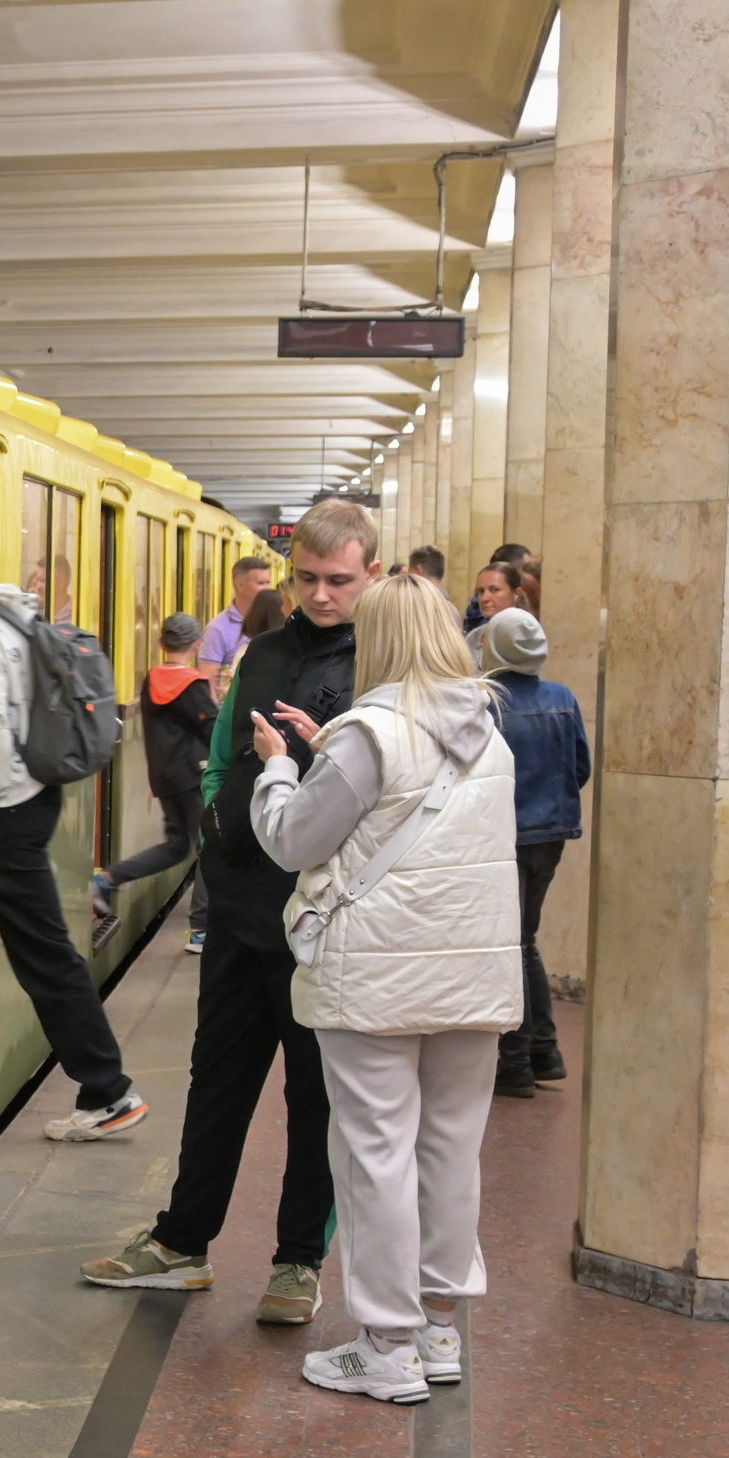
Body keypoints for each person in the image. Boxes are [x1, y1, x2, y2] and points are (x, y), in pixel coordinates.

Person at [79, 497, 372, 1324]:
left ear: (369, 575)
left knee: (316, 1094)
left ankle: (297, 1262)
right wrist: (213, 828)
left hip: (322, 914)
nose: (320, 594)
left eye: (338, 580)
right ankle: (182, 1241)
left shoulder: (381, 664)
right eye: (308, 578)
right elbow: (222, 757)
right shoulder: (264, 653)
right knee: (219, 1081)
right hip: (244, 903)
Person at [244, 573, 520, 1402]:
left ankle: (386, 1345)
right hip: (471, 978)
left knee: (375, 1153)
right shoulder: (488, 733)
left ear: (383, 640)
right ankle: (437, 1328)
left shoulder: (369, 735)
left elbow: (293, 840)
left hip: (377, 982)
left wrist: (278, 770)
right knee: (448, 1148)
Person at [0, 513, 148, 1140]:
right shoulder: (16, 612)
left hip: (2, 811)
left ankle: (109, 1090)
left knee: (45, 954)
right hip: (28, 800)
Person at [479, 608, 587, 1097]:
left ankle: (517, 1060)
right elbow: (578, 766)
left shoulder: (488, 703)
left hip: (505, 834)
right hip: (551, 835)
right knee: (526, 941)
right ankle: (544, 1049)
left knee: (513, 945)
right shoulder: (563, 699)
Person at [94, 611, 215, 952]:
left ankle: (109, 877)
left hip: (164, 778)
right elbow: (212, 727)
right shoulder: (192, 686)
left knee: (177, 846)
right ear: (197, 644)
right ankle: (200, 928)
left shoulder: (151, 681)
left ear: (162, 643)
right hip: (193, 776)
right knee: (209, 848)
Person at [200, 554, 272, 697]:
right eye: (261, 583)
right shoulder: (217, 629)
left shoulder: (273, 621)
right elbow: (209, 685)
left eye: (268, 582)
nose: (268, 588)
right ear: (240, 585)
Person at [468, 561, 525, 658]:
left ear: (517, 594)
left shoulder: (528, 634)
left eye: (495, 589)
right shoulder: (474, 637)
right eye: (481, 591)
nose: (484, 598)